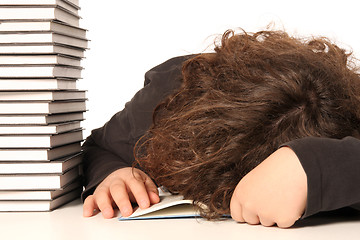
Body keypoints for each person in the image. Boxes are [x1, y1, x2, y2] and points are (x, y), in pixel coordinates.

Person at [81, 29, 360, 228]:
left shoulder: (349, 107)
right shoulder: (165, 102)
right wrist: (113, 173)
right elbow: (100, 146)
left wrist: (318, 166)